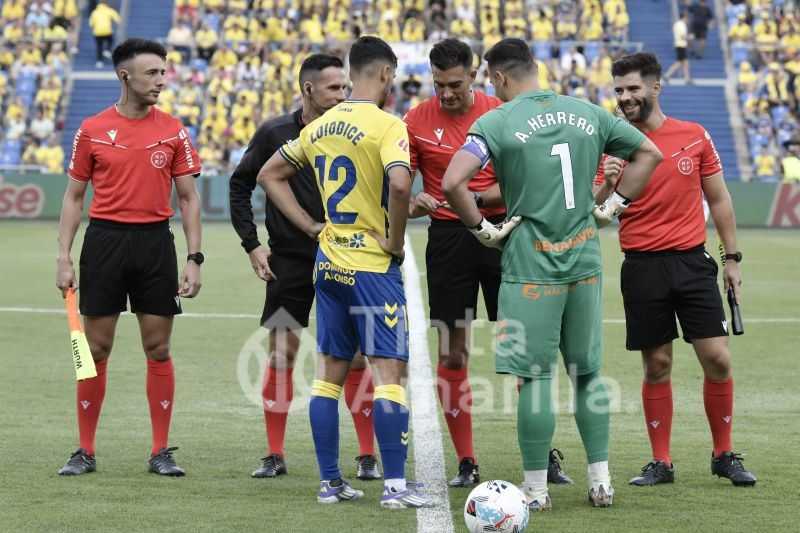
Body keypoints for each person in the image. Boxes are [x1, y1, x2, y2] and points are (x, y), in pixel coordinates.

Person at [441, 38, 662, 510]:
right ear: (535, 68)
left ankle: (537, 489)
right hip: (583, 260)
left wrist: (483, 230)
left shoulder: (494, 121)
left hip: (529, 266)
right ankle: (600, 480)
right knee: (588, 374)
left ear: (498, 77)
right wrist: (612, 208)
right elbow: (649, 155)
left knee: (536, 378)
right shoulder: (589, 113)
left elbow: (451, 182)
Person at [257, 36, 436, 509]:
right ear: (382, 74)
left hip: (329, 261)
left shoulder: (320, 125)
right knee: (388, 373)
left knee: (327, 377)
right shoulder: (388, 125)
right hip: (372, 268)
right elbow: (400, 185)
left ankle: (330, 483)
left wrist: (313, 226)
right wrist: (395, 242)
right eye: (393, 78)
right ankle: (396, 488)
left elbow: (268, 175)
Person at [402, 37, 573, 487]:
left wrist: (473, 196)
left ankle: (542, 456)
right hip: (447, 239)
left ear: (474, 76)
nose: (446, 93)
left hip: (506, 234)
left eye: (454, 84)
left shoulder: (504, 113)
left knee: (522, 347)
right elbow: (399, 179)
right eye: (438, 85)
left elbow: (527, 178)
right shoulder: (416, 120)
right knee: (452, 351)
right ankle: (466, 460)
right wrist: (414, 199)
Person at [594, 51, 757, 487]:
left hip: (692, 262)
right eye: (619, 91)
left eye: (633, 89)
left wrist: (732, 260)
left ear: (655, 88)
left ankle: (723, 453)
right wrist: (607, 182)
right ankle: (661, 462)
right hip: (642, 266)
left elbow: (719, 200)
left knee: (718, 359)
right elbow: (595, 212)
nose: (625, 98)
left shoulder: (694, 136)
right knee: (657, 365)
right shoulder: (611, 142)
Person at [228, 53, 381, 480]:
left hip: (347, 257)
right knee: (282, 352)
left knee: (354, 357)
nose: (343, 95)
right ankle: (274, 453)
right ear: (309, 89)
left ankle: (366, 454)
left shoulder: (355, 128)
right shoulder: (275, 132)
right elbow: (240, 185)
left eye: (346, 87)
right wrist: (252, 246)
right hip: (290, 262)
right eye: (334, 88)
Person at [55, 38, 202, 477]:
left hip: (156, 243)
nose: (161, 79)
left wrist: (195, 257)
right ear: (126, 76)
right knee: (94, 348)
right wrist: (64, 255)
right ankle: (84, 450)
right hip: (104, 243)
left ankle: (160, 451)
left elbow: (190, 199)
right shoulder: (92, 129)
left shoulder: (173, 129)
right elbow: (74, 196)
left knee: (158, 348)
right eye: (152, 72)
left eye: (163, 71)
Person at [89, 1, 120, 68]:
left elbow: (91, 24)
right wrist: (119, 25)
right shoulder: (109, 10)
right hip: (107, 31)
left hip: (97, 32)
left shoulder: (94, 12)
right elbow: (118, 19)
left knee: (99, 46)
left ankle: (99, 61)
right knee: (111, 40)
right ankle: (107, 50)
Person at [663, 10, 692, 84]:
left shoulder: (677, 24)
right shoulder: (681, 24)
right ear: (684, 17)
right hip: (681, 45)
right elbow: (683, 36)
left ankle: (667, 75)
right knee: (684, 62)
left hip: (679, 45)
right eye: (687, 18)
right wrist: (689, 37)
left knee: (681, 62)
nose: (687, 20)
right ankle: (686, 78)